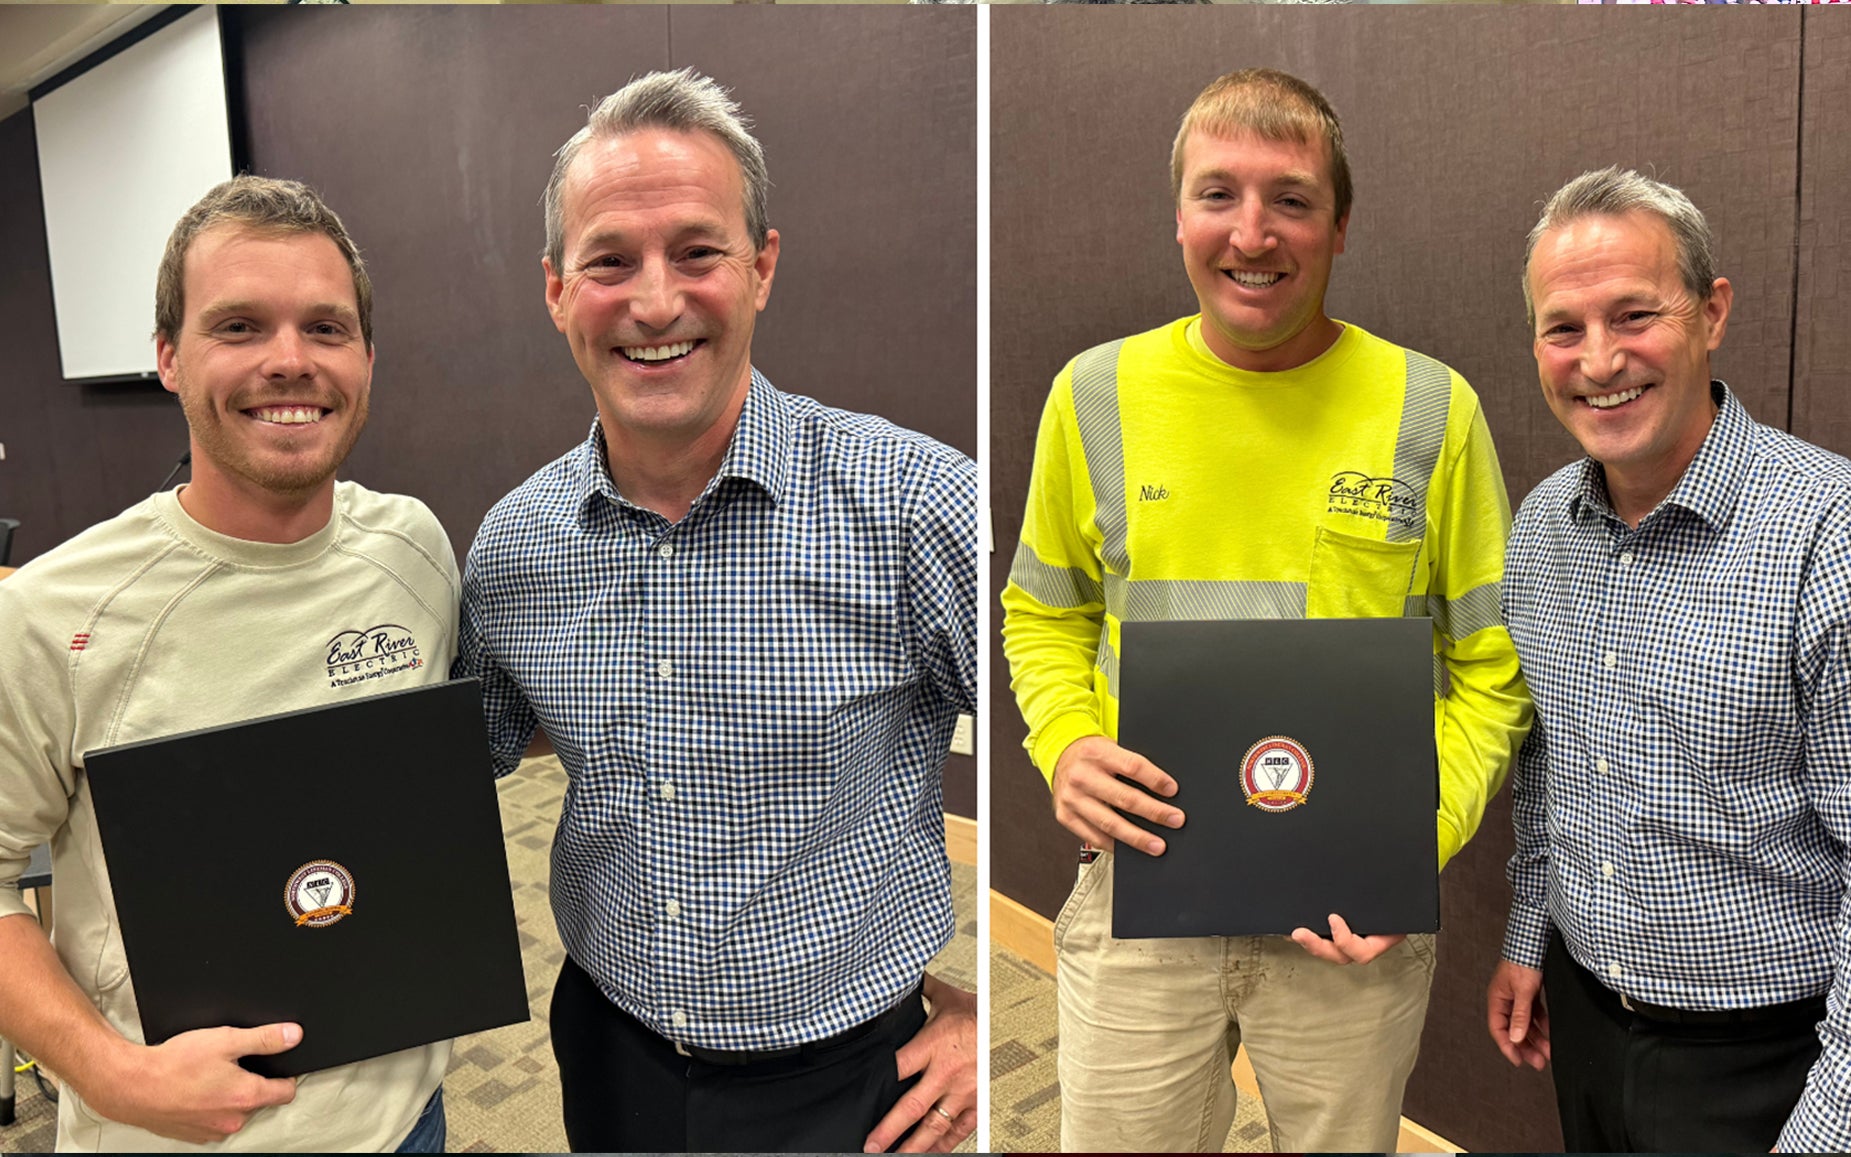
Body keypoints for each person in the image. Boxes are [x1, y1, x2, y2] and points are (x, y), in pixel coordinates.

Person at [999, 67, 1530, 1152]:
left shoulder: (1433, 409)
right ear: (1179, 215)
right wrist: (1066, 743)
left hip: (1351, 917)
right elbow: (1040, 612)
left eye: (1291, 198)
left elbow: (1493, 664)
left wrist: (1412, 837)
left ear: (1341, 226)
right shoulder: (1091, 394)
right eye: (1218, 194)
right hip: (1141, 885)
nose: (1254, 232)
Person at [453, 69, 978, 1154]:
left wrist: (1026, 998)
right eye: (609, 261)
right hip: (610, 1051)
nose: (653, 302)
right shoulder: (512, 545)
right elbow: (446, 773)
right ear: (557, 290)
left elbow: (1092, 735)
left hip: (856, 1086)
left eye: (697, 251)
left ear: (762, 268)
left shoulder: (920, 504)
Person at [0, 176, 456, 1152]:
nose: (290, 362)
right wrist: (110, 1070)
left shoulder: (417, 550)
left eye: (326, 328)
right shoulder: (50, 612)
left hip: (407, 1120)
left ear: (368, 357)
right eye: (240, 326)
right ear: (167, 355)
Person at [1487, 167, 1851, 1153]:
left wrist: (1828, 1123)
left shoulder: (1830, 536)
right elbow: (1552, 764)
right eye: (1564, 327)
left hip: (1768, 1059)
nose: (1600, 360)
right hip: (1586, 1009)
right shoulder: (1542, 528)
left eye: (1635, 314)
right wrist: (1531, 933)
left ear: (1712, 312)